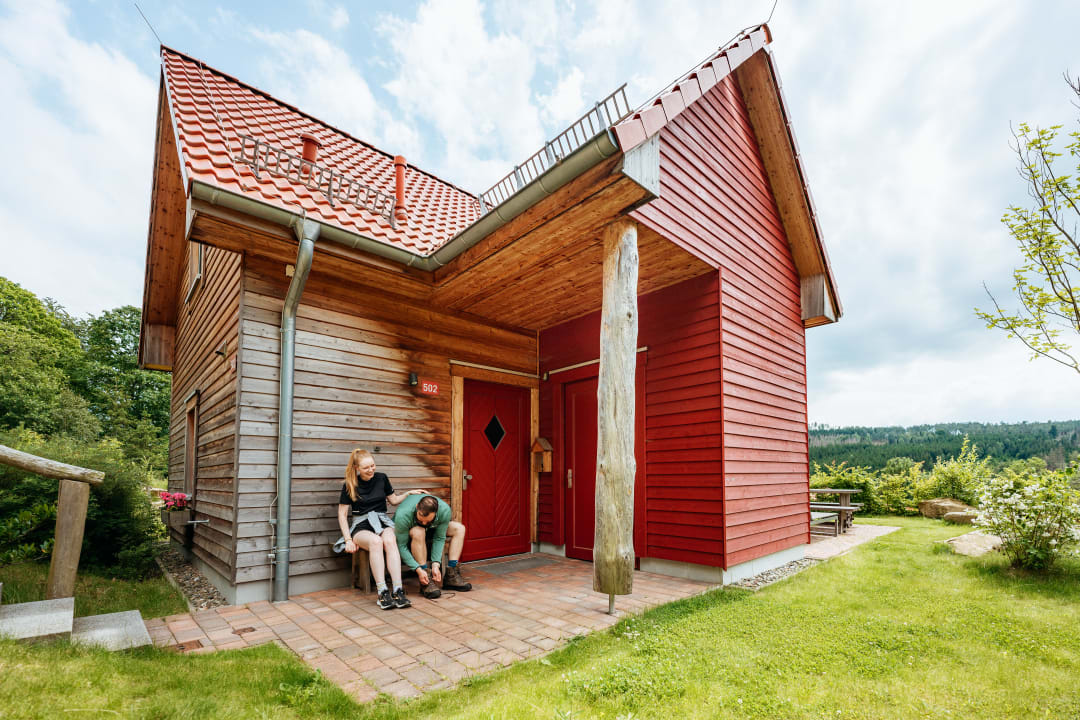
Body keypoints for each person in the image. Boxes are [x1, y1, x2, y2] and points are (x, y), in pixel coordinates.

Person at [334, 449, 424, 610]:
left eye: (373, 465)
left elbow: (394, 500)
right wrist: (347, 539)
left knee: (389, 540)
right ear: (356, 468)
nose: (371, 470)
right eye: (366, 467)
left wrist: (409, 493)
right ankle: (382, 592)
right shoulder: (350, 484)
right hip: (361, 525)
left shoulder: (382, 478)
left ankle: (398, 590)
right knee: (376, 542)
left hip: (382, 521)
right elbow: (342, 515)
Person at [393, 494, 473, 599]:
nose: (424, 523)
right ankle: (425, 580)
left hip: (431, 531)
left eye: (428, 520)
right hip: (410, 534)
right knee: (419, 530)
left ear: (436, 512)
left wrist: (436, 564)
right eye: (421, 520)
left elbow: (439, 538)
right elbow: (401, 546)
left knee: (459, 528)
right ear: (417, 507)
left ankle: (451, 575)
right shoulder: (403, 515)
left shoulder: (444, 510)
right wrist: (418, 570)